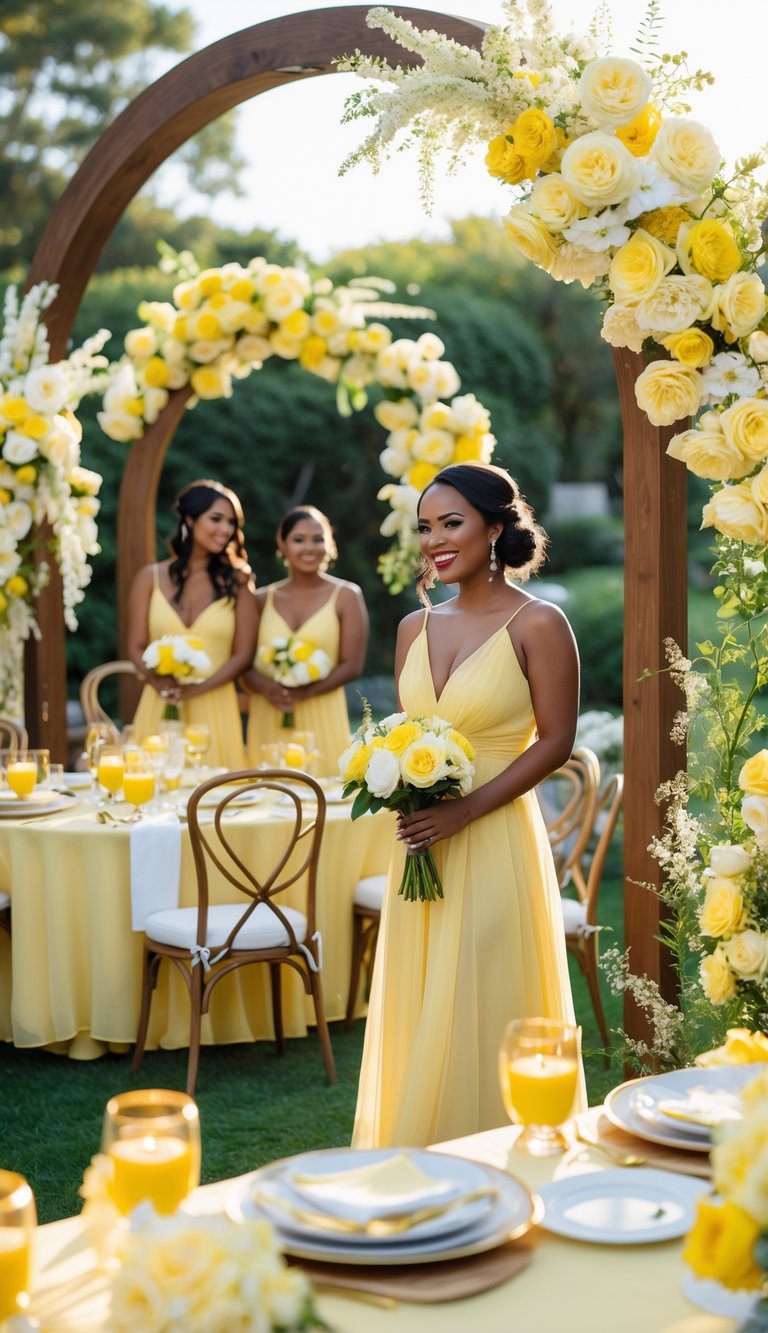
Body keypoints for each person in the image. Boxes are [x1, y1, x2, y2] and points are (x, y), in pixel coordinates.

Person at [352, 461, 585, 1148]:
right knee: (422, 996)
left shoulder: (539, 622)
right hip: (422, 842)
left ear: (493, 527)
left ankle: (502, 1150)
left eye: (450, 523)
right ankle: (418, 1151)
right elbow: (409, 731)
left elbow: (557, 739)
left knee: (485, 992)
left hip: (494, 835)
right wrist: (395, 778)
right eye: (425, 527)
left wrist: (466, 808)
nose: (434, 540)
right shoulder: (410, 628)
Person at [127, 479, 258, 770]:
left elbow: (243, 654)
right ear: (189, 518)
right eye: (216, 519)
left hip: (214, 706)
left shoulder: (238, 581)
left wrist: (197, 690)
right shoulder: (149, 578)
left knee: (217, 803)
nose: (225, 529)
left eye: (231, 523)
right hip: (159, 702)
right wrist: (158, 683)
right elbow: (135, 645)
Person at [243, 505, 369, 777]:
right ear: (282, 545)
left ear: (329, 544)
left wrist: (307, 692)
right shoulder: (261, 599)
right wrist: (268, 689)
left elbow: (352, 664)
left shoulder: (347, 595)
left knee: (325, 797)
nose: (309, 547)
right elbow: (243, 661)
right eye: (299, 539)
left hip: (322, 714)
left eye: (318, 538)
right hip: (269, 713)